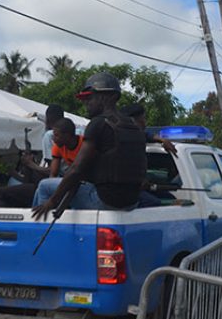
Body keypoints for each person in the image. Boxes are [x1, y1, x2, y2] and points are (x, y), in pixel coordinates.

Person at [32, 72, 146, 219]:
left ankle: (39, 231)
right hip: (132, 202)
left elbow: (76, 169)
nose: (86, 102)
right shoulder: (133, 125)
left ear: (109, 96)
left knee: (44, 186)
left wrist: (52, 201)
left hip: (105, 201)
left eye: (89, 97)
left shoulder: (98, 123)